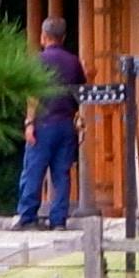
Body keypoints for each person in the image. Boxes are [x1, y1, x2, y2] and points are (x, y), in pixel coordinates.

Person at [15, 30, 84, 229]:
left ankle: (28, 217)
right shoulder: (73, 62)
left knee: (34, 170)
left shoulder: (38, 61)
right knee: (62, 174)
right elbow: (81, 91)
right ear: (63, 38)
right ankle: (58, 219)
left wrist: (29, 122)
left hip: (43, 123)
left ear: (43, 36)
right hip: (66, 124)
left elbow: (32, 95)